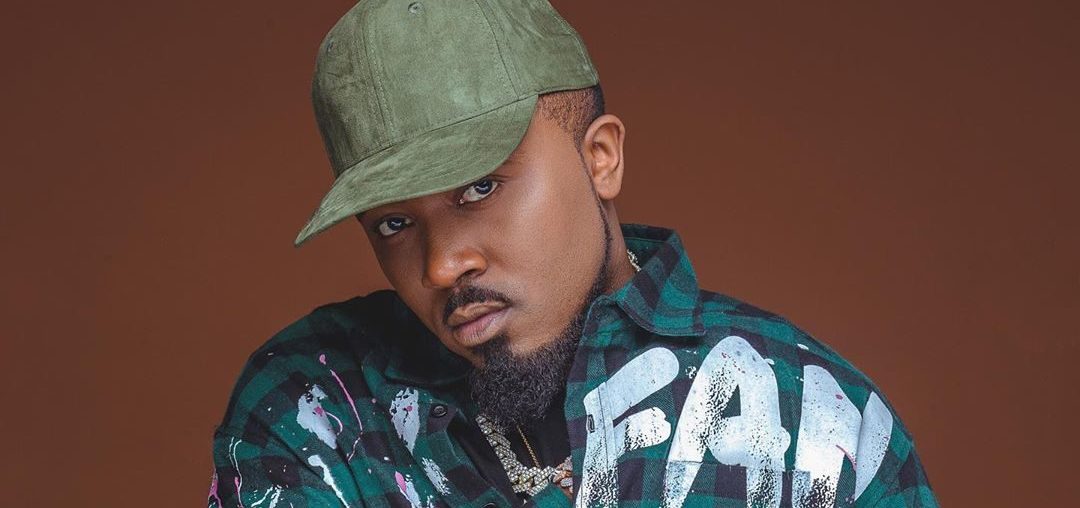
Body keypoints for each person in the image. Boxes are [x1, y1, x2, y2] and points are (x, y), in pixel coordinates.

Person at [207, 1, 938, 507]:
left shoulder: (814, 424)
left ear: (601, 158)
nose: (440, 266)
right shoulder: (319, 410)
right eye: (394, 224)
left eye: (480, 187)